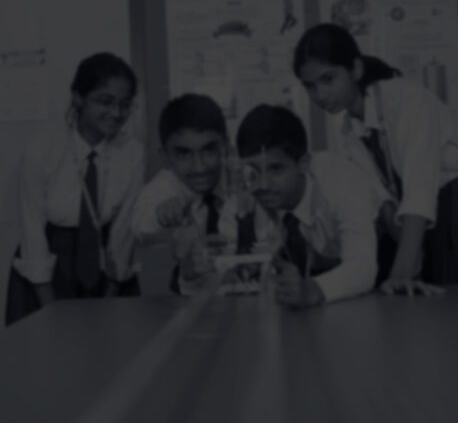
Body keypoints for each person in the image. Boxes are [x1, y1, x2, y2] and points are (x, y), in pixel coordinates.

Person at [293, 22, 458, 296]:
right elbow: (384, 201)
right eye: (310, 86)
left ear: (356, 69)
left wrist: (401, 271)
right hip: (418, 227)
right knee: (428, 308)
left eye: (328, 79)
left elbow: (419, 191)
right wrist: (410, 258)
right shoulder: (346, 129)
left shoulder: (408, 101)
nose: (320, 95)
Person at [5, 52, 144, 325]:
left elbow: (124, 230)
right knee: (45, 347)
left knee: (110, 344)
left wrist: (112, 291)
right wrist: (49, 310)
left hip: (107, 267)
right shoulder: (42, 150)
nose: (116, 113)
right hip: (46, 270)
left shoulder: (132, 152)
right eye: (105, 101)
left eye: (124, 104)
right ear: (78, 97)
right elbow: (32, 232)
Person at [219, 104, 388, 308]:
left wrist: (311, 290)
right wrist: (232, 273)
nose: (263, 185)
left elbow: (363, 268)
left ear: (303, 163)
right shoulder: (241, 206)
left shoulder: (342, 181)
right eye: (253, 171)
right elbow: (226, 270)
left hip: (381, 286)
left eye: (275, 169)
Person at [131, 94, 228, 294]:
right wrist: (162, 215)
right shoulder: (163, 189)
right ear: (165, 157)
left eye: (209, 150)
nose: (199, 167)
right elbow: (142, 225)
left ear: (224, 147)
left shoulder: (235, 181)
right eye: (184, 154)